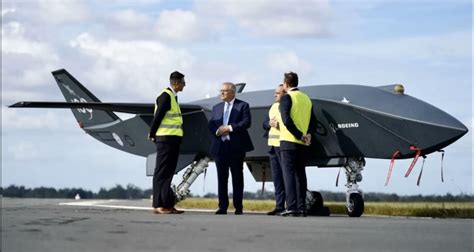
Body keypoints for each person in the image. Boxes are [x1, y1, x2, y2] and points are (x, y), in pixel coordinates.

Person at [208, 82, 254, 215]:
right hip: (220, 148)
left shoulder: (243, 105)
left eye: (225, 91)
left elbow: (246, 122)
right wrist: (218, 131)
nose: (221, 93)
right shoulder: (216, 107)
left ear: (233, 92)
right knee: (221, 178)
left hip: (236, 148)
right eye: (221, 90)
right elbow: (211, 123)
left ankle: (238, 207)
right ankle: (222, 206)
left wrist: (229, 128)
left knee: (237, 177)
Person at [279, 72, 317, 217]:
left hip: (289, 142)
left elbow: (286, 120)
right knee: (301, 175)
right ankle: (302, 207)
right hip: (303, 144)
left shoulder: (287, 98)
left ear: (286, 84)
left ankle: (292, 206)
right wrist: (308, 135)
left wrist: (299, 135)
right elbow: (313, 121)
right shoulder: (306, 98)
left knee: (288, 175)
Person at [148, 71, 187, 214]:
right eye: (183, 82)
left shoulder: (173, 97)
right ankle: (159, 205)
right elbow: (157, 117)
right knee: (162, 172)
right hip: (165, 139)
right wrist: (152, 134)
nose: (185, 85)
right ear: (176, 83)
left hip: (172, 139)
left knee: (168, 172)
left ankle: (167, 204)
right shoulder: (166, 96)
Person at [263, 84, 286, 215]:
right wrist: (269, 124)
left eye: (277, 93)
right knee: (277, 179)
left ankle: (290, 206)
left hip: (283, 146)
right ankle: (279, 206)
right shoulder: (273, 107)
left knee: (286, 178)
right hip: (272, 146)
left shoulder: (287, 106)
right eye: (275, 92)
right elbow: (264, 123)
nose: (274, 95)